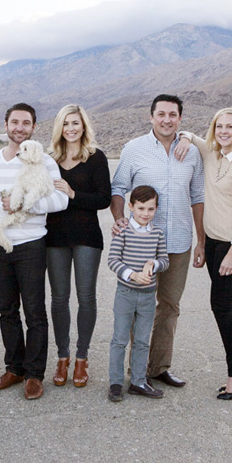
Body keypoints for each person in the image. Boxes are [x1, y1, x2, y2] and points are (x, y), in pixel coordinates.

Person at [0, 103, 69, 400]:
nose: (20, 128)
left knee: (34, 311)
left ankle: (34, 374)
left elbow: (61, 200)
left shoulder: (43, 161)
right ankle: (15, 367)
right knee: (6, 309)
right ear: (6, 125)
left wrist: (26, 205)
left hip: (31, 244)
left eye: (26, 123)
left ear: (33, 127)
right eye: (15, 122)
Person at [110, 94, 204, 389]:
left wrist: (201, 241)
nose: (166, 119)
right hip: (140, 243)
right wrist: (118, 219)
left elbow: (198, 196)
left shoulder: (192, 153)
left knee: (169, 307)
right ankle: (135, 371)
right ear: (151, 117)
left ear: (180, 119)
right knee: (139, 305)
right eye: (161, 114)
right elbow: (119, 188)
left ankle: (157, 368)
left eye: (172, 114)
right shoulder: (134, 149)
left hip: (177, 243)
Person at [175, 107, 232, 400]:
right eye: (219, 126)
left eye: (229, 127)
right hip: (212, 243)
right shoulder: (213, 153)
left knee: (221, 307)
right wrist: (185, 136)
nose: (223, 131)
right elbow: (191, 136)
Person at [45, 105, 111, 388]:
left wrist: (73, 194)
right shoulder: (49, 160)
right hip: (54, 237)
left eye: (76, 123)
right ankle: (62, 357)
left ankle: (82, 358)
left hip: (87, 237)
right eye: (66, 124)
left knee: (86, 297)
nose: (71, 128)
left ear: (84, 127)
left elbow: (104, 199)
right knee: (59, 298)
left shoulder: (96, 158)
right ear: (59, 128)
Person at [107, 186, 170, 402]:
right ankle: (115, 383)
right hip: (126, 293)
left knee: (143, 340)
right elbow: (113, 260)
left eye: (150, 209)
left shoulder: (157, 233)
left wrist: (154, 263)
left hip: (147, 296)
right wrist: (132, 274)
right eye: (141, 208)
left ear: (156, 209)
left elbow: (165, 261)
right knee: (120, 339)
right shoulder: (122, 231)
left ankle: (138, 381)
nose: (145, 213)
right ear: (131, 207)